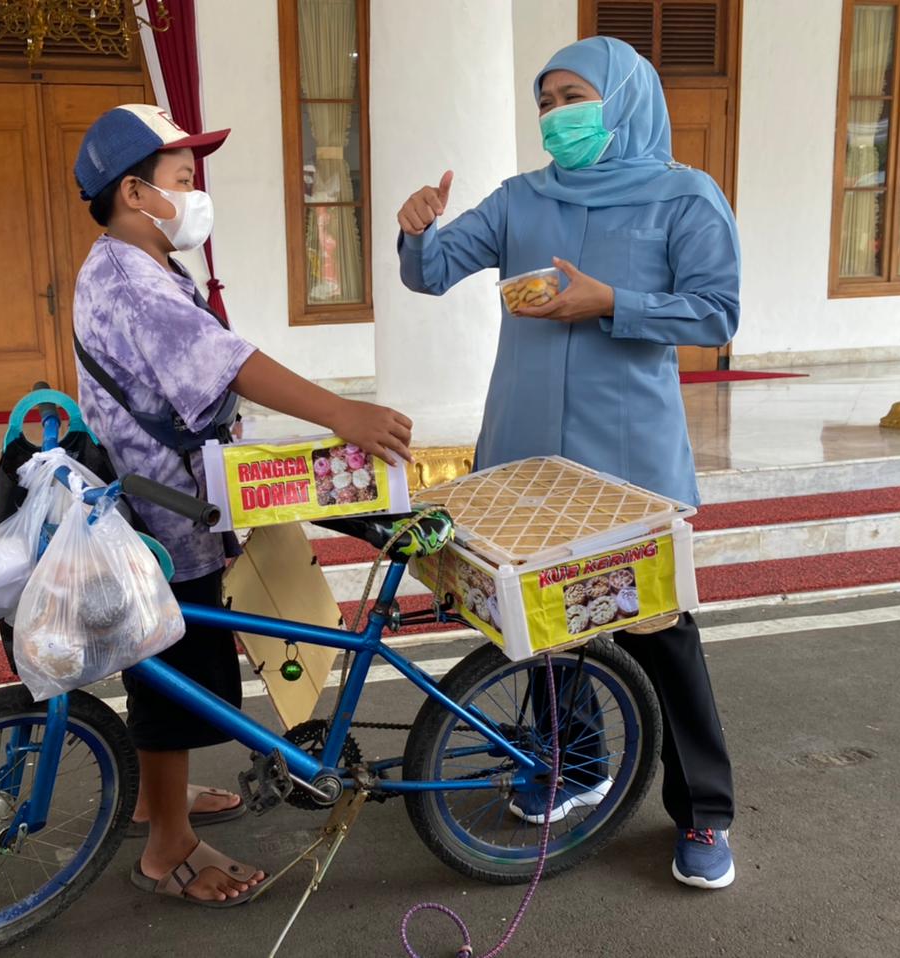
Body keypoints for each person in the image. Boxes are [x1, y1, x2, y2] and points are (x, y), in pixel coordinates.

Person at [396, 37, 738, 890]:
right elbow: (433, 273)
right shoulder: (522, 200)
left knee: (658, 634)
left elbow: (716, 313)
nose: (555, 115)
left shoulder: (682, 197)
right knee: (543, 632)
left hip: (629, 457)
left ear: (621, 99)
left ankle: (703, 810)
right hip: (523, 452)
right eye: (545, 100)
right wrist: (418, 228)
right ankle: (576, 765)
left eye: (572, 96)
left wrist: (613, 303)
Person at [72, 104, 413, 906]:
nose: (196, 193)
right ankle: (168, 848)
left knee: (172, 663)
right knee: (172, 676)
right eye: (183, 179)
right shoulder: (131, 275)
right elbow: (226, 365)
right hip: (167, 517)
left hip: (174, 502)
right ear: (134, 191)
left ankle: (166, 796)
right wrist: (344, 414)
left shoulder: (137, 260)